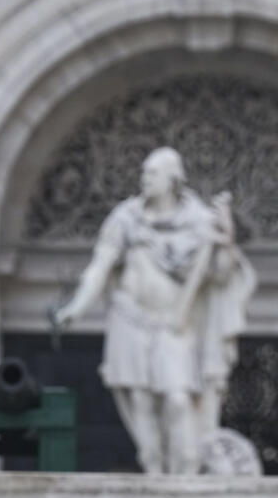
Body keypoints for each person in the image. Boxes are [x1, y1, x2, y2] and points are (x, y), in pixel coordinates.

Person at [53, 147, 256, 474]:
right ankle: (154, 476)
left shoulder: (200, 221)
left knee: (178, 398)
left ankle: (185, 477)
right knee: (142, 402)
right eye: (144, 173)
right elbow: (99, 267)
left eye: (152, 173)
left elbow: (220, 274)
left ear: (173, 179)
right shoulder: (125, 218)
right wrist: (75, 308)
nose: (144, 179)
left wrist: (227, 237)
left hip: (175, 325)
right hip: (129, 318)